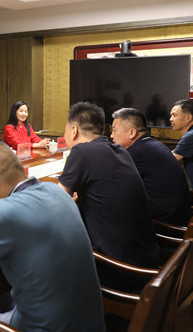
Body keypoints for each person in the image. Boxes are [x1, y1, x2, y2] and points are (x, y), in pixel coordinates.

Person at [0, 142, 105, 332]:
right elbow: (29, 219)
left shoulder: (5, 212)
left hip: (48, 327)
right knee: (3, 300)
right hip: (91, 322)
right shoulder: (56, 191)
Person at [58, 102, 159, 270]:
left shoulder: (82, 151)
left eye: (65, 131)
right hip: (145, 260)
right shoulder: (120, 151)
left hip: (118, 268)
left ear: (74, 130)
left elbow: (55, 203)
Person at [111, 108, 190, 226]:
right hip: (178, 216)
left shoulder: (136, 152)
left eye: (114, 130)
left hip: (165, 224)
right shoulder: (152, 144)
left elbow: (110, 182)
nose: (111, 136)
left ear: (132, 133)